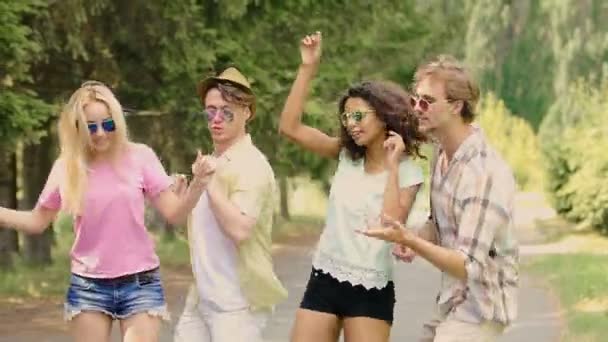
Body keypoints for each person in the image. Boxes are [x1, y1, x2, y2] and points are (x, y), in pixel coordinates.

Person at [0, 81, 215, 342]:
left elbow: (175, 214)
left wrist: (198, 185)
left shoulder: (140, 157)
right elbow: (37, 221)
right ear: (76, 128)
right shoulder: (66, 167)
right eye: (91, 127)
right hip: (88, 285)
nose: (101, 133)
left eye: (108, 124)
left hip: (140, 283)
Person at [279, 32, 426, 342]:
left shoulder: (408, 172)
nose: (351, 124)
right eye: (347, 117)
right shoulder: (346, 155)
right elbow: (290, 127)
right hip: (326, 278)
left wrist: (392, 164)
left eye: (359, 115)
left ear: (384, 116)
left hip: (371, 290)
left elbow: (389, 225)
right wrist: (308, 68)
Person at [362, 55, 519, 341]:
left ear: (457, 106)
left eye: (427, 102)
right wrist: (410, 237)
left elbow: (467, 264)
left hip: (483, 307)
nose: (417, 109)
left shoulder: (483, 173)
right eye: (415, 100)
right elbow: (439, 223)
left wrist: (412, 241)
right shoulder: (442, 154)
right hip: (453, 300)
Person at [173, 67, 287, 342]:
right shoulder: (214, 162)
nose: (216, 119)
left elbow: (239, 230)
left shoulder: (251, 165)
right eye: (210, 111)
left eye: (226, 111)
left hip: (238, 304)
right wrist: (185, 197)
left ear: (247, 112)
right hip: (203, 298)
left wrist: (208, 183)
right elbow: (200, 235)